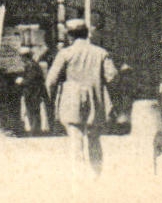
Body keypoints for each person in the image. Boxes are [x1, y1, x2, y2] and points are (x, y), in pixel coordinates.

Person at [45, 18, 120, 177]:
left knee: (76, 140)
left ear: (70, 36)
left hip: (71, 101)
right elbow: (112, 77)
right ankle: (96, 176)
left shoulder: (65, 54)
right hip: (95, 99)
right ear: (86, 34)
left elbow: (51, 81)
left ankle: (79, 179)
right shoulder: (101, 53)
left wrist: (52, 99)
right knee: (94, 140)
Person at [16, 45, 50, 136]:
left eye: (21, 56)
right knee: (32, 111)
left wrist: (21, 81)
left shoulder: (31, 65)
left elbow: (31, 79)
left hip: (34, 92)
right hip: (33, 92)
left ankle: (35, 131)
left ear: (25, 56)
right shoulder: (32, 64)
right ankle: (34, 130)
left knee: (33, 111)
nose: (21, 58)